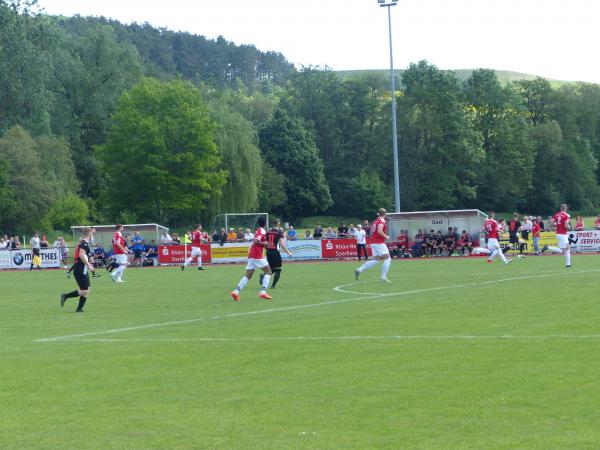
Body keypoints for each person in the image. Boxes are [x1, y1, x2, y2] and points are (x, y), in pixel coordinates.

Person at [230, 216, 273, 301]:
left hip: (252, 254)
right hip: (257, 255)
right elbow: (256, 241)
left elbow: (256, 241)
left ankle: (236, 292)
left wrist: (265, 244)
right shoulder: (262, 230)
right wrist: (265, 244)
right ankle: (263, 292)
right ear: (265, 223)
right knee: (268, 272)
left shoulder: (258, 230)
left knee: (248, 275)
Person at [60, 227, 95, 313]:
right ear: (89, 234)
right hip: (80, 270)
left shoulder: (85, 244)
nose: (92, 236)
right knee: (84, 291)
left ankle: (79, 309)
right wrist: (88, 265)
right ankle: (65, 296)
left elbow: (86, 256)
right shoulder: (84, 244)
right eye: (92, 234)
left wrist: (90, 260)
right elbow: (81, 255)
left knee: (87, 290)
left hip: (83, 270)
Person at [354, 208, 392, 282]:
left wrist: (374, 238)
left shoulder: (376, 221)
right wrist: (386, 236)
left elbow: (371, 231)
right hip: (378, 242)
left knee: (376, 260)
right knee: (388, 258)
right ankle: (383, 277)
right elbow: (379, 231)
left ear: (378, 213)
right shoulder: (381, 221)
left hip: (374, 242)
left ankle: (359, 270)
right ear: (385, 214)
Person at [259, 219, 292, 289]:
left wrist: (267, 250)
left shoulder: (268, 232)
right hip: (275, 252)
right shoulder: (279, 232)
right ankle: (273, 286)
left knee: (271, 268)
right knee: (278, 269)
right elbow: (282, 245)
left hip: (268, 252)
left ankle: (264, 275)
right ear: (278, 224)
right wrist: (288, 252)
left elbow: (264, 243)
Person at [548, 204, 573, 268]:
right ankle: (568, 264)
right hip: (563, 234)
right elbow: (565, 226)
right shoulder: (566, 215)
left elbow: (551, 224)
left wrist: (558, 225)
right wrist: (569, 227)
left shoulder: (556, 215)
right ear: (566, 209)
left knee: (564, 250)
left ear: (560, 208)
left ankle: (568, 264)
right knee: (567, 249)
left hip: (558, 233)